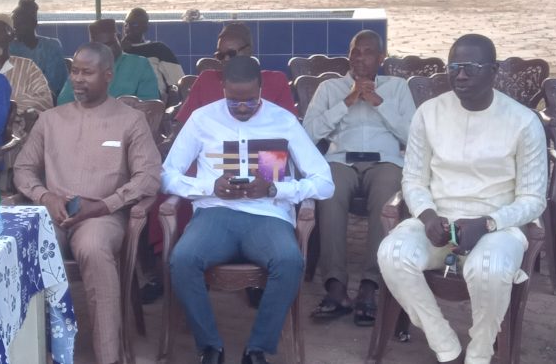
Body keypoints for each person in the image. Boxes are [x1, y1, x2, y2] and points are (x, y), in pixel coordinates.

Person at [377, 34, 547, 364]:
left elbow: (533, 198)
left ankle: (480, 352)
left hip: (496, 225)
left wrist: (488, 223)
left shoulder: (523, 121)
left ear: (494, 70)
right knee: (392, 254)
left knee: (490, 267)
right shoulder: (429, 113)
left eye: (471, 67)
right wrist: (427, 217)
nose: (461, 75)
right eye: (454, 66)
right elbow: (413, 179)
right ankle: (444, 343)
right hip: (436, 220)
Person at [162, 56, 335, 364]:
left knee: (290, 260)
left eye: (250, 101)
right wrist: (209, 187)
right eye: (233, 101)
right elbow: (166, 175)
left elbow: (324, 182)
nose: (242, 108)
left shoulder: (282, 120)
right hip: (215, 213)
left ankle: (257, 349)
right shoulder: (202, 119)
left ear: (261, 88)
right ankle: (210, 347)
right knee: (183, 260)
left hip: (268, 215)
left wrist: (274, 188)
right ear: (222, 88)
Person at [13, 42, 161, 364]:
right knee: (26, 247)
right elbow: (23, 168)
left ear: (108, 76)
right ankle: (36, 353)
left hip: (102, 216)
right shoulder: (51, 119)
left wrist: (106, 204)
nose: (78, 79)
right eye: (75, 71)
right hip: (54, 212)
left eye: (87, 72)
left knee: (93, 247)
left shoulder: (130, 120)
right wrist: (45, 196)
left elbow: (149, 177)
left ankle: (109, 356)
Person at [302, 30, 415, 326]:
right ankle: (336, 287)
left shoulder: (398, 88)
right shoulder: (330, 88)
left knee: (389, 190)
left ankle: (370, 285)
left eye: (367, 52)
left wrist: (378, 102)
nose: (359, 57)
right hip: (342, 159)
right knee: (330, 189)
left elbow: (413, 136)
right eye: (355, 51)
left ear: (381, 58)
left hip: (385, 162)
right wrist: (347, 102)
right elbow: (308, 133)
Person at [175, 22, 296, 125]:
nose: (226, 59)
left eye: (231, 53)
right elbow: (183, 123)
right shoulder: (206, 80)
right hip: (214, 149)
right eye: (220, 55)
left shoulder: (276, 81)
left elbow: (290, 125)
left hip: (262, 148)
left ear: (248, 51)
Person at [57, 19, 160, 105]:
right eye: (101, 46)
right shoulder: (83, 68)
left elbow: (149, 103)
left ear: (119, 39)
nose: (107, 50)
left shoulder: (140, 64)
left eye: (110, 44)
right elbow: (63, 102)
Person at [0, 13, 54, 137]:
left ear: (11, 36)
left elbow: (45, 98)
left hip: (17, 136)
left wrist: (9, 110)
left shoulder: (27, 67)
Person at [9, 0, 68, 98]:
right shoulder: (10, 48)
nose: (16, 28)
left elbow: (56, 85)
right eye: (14, 25)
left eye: (20, 24)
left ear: (34, 24)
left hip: (47, 100)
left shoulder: (50, 46)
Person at [121, 7, 184, 98]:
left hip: (153, 101)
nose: (128, 28)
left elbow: (178, 81)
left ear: (145, 26)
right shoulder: (118, 52)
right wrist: (121, 50)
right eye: (126, 24)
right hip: (124, 100)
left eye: (134, 24)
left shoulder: (158, 49)